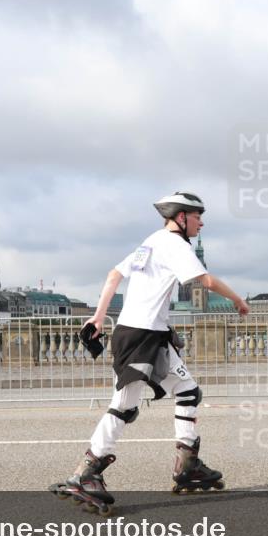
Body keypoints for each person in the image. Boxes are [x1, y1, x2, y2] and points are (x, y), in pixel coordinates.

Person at [51, 192, 250, 514]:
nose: (202, 221)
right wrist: (239, 301)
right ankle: (85, 474)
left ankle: (187, 464)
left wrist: (99, 316)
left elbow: (115, 275)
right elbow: (206, 280)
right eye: (198, 215)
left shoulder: (151, 241)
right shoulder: (174, 245)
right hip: (140, 334)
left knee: (188, 391)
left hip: (152, 334)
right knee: (125, 406)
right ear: (181, 217)